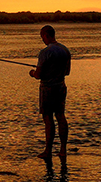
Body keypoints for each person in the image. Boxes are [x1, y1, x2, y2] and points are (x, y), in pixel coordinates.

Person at [29, 25, 71, 163]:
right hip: (61, 87)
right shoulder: (65, 50)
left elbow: (38, 75)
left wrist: (32, 73)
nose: (42, 39)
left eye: (42, 36)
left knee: (48, 119)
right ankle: (63, 150)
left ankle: (48, 151)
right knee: (60, 116)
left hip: (47, 89)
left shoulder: (45, 52)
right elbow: (67, 72)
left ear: (46, 35)